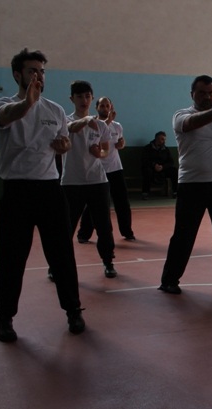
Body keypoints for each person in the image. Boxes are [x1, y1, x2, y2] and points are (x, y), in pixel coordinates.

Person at [0, 48, 87, 342]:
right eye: (33, 71)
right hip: (17, 192)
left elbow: (64, 141)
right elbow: (7, 116)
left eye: (42, 71)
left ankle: (73, 310)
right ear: (18, 75)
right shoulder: (2, 105)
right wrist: (27, 103)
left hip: (50, 191)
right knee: (10, 259)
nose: (39, 76)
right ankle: (4, 318)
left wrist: (64, 146)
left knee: (62, 256)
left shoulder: (55, 110)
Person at [159, 75, 212, 294]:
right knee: (184, 235)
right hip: (192, 184)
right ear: (192, 95)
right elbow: (191, 125)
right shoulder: (181, 115)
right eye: (202, 93)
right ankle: (170, 280)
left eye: (211, 93)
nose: (207, 97)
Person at [61, 80, 118, 279]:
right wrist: (86, 121)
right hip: (72, 182)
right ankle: (57, 265)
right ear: (72, 99)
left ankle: (108, 261)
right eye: (79, 96)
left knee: (104, 225)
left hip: (98, 181)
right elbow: (70, 128)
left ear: (91, 97)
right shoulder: (65, 120)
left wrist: (99, 152)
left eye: (87, 96)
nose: (84, 100)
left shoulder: (101, 125)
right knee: (67, 226)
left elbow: (105, 149)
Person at [77, 97, 136, 242]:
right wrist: (107, 122)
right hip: (98, 170)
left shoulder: (117, 126)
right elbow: (93, 144)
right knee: (93, 204)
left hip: (116, 168)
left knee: (122, 202)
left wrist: (121, 144)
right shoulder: (92, 124)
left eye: (107, 105)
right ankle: (83, 234)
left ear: (111, 107)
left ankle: (127, 232)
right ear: (96, 107)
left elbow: (120, 143)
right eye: (102, 105)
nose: (105, 108)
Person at [141, 131, 178, 199]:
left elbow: (171, 162)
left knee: (174, 170)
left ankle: (175, 192)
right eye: (162, 139)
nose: (164, 141)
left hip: (163, 169)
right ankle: (145, 193)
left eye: (164, 139)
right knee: (147, 171)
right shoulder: (147, 148)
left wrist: (163, 167)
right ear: (157, 139)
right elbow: (144, 160)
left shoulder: (166, 149)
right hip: (151, 169)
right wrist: (154, 165)